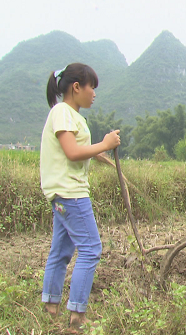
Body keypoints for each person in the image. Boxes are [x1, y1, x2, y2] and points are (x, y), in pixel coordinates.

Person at [40, 63, 120, 329]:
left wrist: (100, 152)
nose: (94, 93)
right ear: (76, 87)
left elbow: (78, 149)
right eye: (91, 87)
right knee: (91, 249)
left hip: (62, 194)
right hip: (71, 193)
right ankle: (77, 316)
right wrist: (105, 143)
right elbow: (72, 152)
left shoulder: (73, 116)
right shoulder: (63, 112)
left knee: (62, 249)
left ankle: (51, 307)